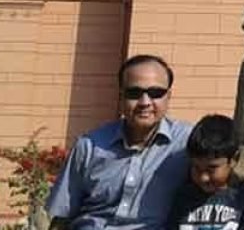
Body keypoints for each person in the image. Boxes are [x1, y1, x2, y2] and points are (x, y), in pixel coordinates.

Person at [47, 54, 192, 230]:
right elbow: (62, 216)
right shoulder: (90, 146)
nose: (145, 102)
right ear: (121, 96)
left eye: (155, 93)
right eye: (134, 93)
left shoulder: (187, 143)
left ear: (169, 96)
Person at [169, 115, 244, 230]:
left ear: (234, 159)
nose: (203, 177)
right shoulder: (183, 197)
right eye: (196, 168)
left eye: (212, 168)